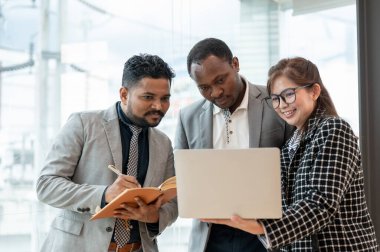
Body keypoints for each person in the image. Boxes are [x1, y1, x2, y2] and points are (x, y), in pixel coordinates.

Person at [203, 57, 379, 251]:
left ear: (314, 91)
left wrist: (262, 227)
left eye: (288, 94)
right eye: (276, 99)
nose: (282, 105)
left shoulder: (333, 129)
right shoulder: (288, 147)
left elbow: (321, 204)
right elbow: (283, 209)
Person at [36, 54, 178, 252]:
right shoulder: (83, 124)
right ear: (124, 94)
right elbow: (46, 185)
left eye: (165, 98)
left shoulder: (163, 142)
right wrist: (104, 195)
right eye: (148, 97)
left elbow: (172, 204)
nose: (158, 106)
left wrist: (154, 216)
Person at [175, 38, 293, 252]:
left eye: (220, 80)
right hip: (210, 236)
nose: (215, 92)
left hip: (264, 232)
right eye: (204, 88)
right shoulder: (187, 117)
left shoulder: (275, 102)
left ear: (235, 64)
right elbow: (180, 179)